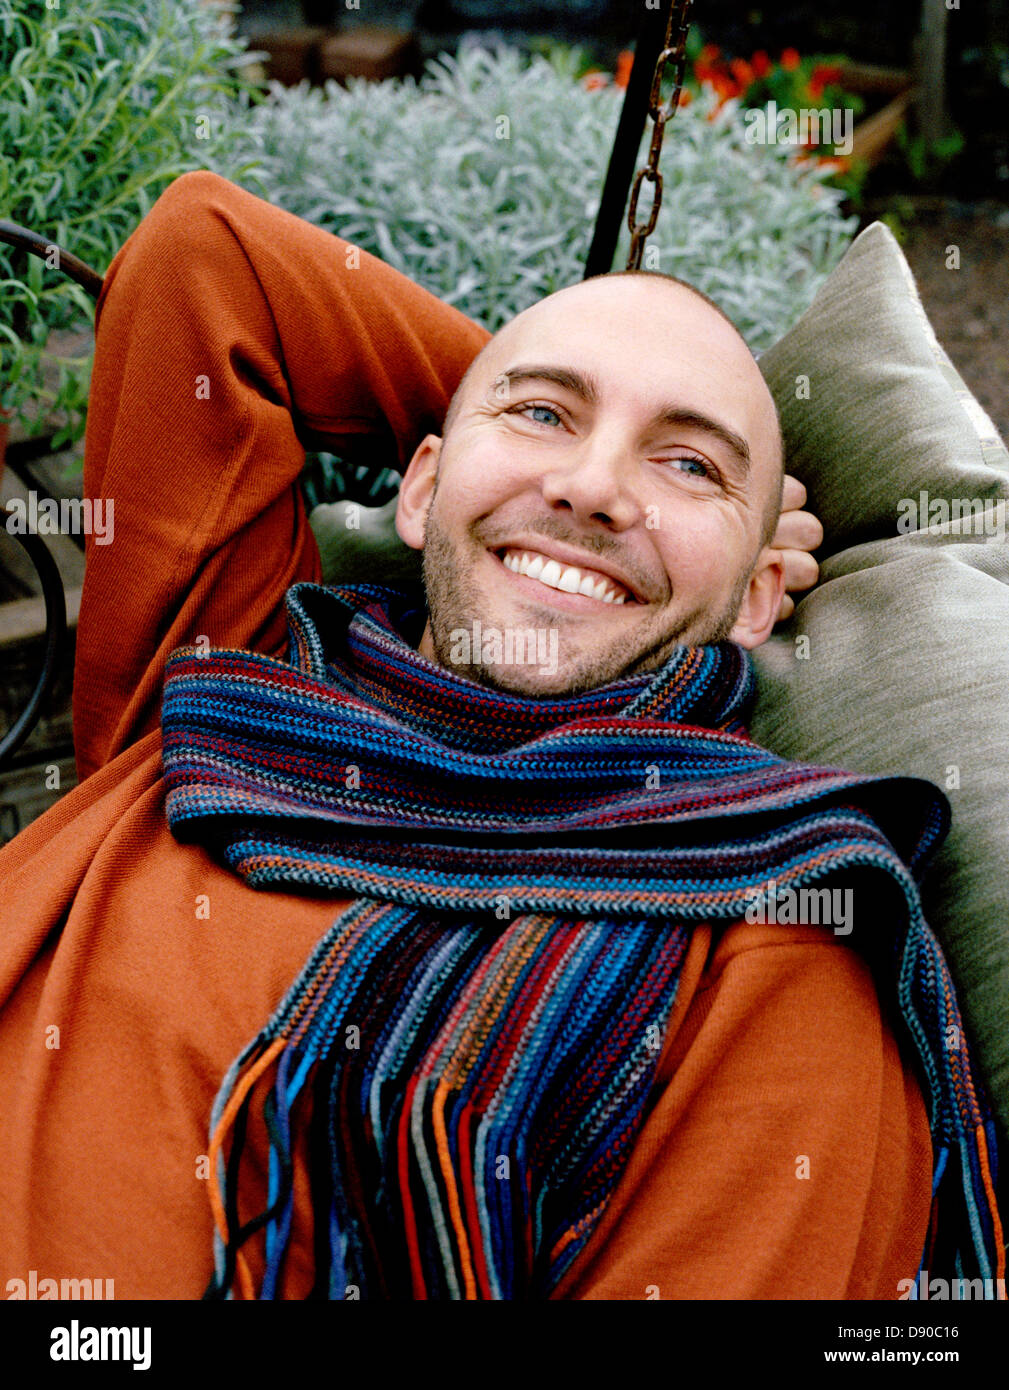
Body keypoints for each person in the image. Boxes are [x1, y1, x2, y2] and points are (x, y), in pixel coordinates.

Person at [0, 171, 1001, 1302]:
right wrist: (529, 462)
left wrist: (527, 453)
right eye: (542, 414)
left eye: (690, 463)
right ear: (417, 487)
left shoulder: (775, 948)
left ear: (765, 595)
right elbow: (203, 251)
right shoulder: (227, 683)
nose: (590, 486)